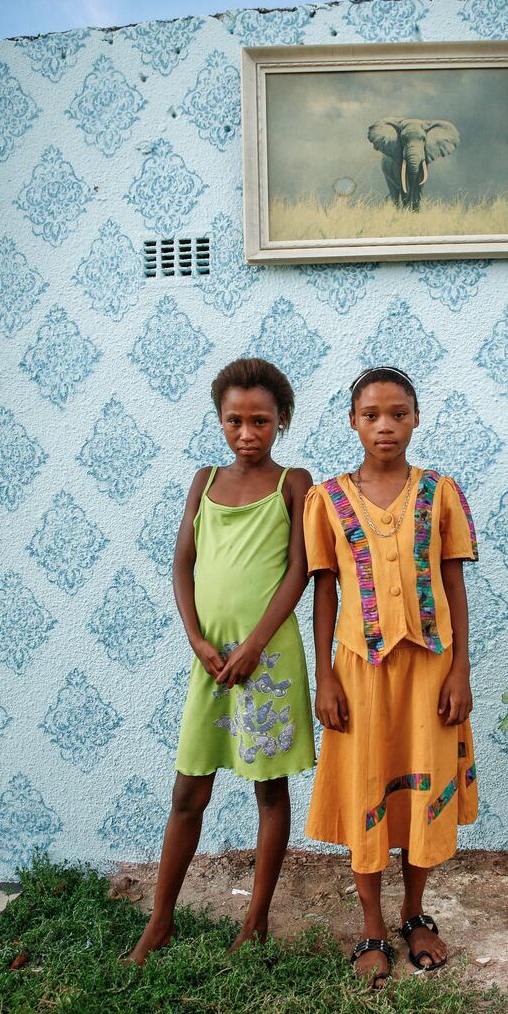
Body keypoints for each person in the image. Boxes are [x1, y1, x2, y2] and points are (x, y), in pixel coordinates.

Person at [128, 358, 315, 965]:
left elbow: (298, 571)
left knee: (268, 789)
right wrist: (196, 640)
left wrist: (257, 643)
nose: (246, 433)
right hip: (209, 661)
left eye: (259, 421)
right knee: (188, 791)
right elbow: (182, 565)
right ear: (220, 419)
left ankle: (256, 918)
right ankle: (160, 921)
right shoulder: (204, 481)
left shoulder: (294, 483)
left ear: (280, 421)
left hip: (268, 659)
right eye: (234, 420)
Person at [303, 365, 478, 988]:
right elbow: (324, 589)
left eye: (398, 413)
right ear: (353, 421)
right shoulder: (327, 499)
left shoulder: (440, 492)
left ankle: (414, 914)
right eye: (372, 414)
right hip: (360, 669)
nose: (385, 425)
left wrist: (460, 667)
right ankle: (372, 926)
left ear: (416, 418)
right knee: (369, 786)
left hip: (430, 667)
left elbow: (453, 581)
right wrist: (323, 674)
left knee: (420, 792)